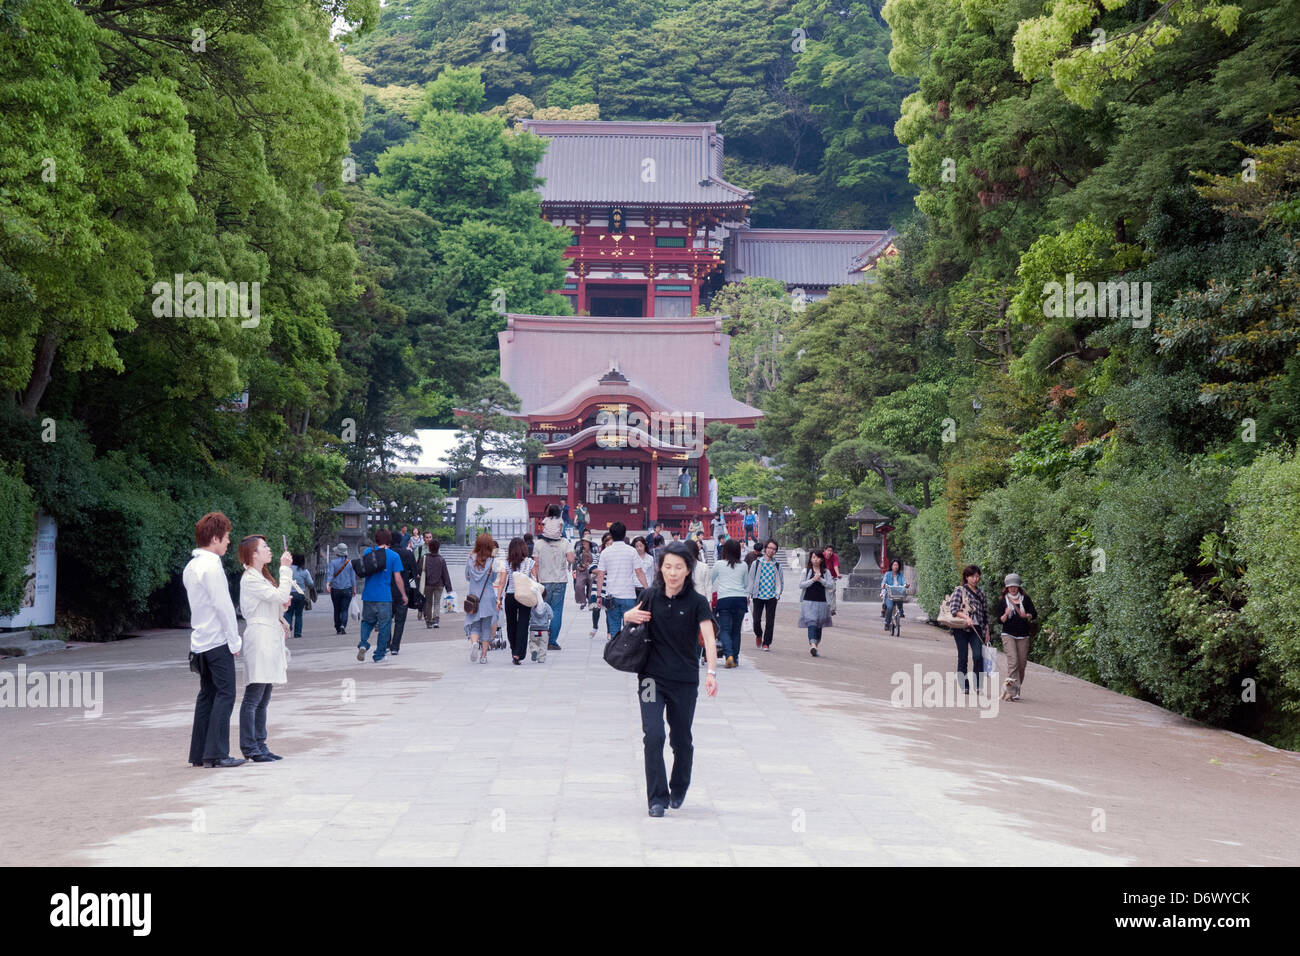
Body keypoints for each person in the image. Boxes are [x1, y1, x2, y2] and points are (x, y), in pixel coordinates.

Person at [621, 541, 718, 817]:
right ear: (660, 568)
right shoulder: (650, 596)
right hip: (651, 678)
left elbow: (709, 640)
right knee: (653, 734)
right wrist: (628, 615)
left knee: (681, 739)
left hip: (685, 681)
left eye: (678, 567)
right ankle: (657, 798)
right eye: (667, 567)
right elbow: (630, 623)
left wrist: (711, 673)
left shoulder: (697, 603)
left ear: (688, 570)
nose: (672, 573)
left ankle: (679, 785)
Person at [184, 512, 245, 768]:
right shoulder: (212, 566)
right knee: (226, 693)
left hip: (199, 640)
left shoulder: (191, 566)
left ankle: (200, 753)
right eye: (227, 537)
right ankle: (217, 753)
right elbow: (224, 607)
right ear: (216, 538)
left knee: (207, 694)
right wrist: (235, 641)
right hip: (217, 640)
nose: (229, 542)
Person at [237, 535, 292, 762]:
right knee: (254, 696)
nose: (269, 550)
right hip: (260, 638)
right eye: (265, 547)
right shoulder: (250, 578)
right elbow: (278, 595)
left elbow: (276, 602)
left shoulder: (260, 577)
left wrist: (281, 607)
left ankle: (260, 744)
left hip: (268, 636)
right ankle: (250, 747)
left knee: (264, 696)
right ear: (253, 554)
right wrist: (285, 569)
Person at [355, 528, 407, 663]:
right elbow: (397, 578)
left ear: (376, 539)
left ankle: (363, 644)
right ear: (389, 539)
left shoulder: (368, 552)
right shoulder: (394, 556)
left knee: (367, 621)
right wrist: (403, 594)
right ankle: (379, 654)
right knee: (384, 625)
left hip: (368, 595)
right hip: (384, 596)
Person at [594, 521, 646, 639]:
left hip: (611, 595)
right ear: (624, 534)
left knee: (614, 627)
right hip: (628, 594)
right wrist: (648, 588)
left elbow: (601, 574)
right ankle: (628, 652)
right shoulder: (631, 551)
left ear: (611, 535)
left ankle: (615, 653)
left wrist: (598, 595)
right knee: (630, 628)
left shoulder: (605, 552)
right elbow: (639, 572)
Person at [944, 564, 990, 695]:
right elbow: (954, 610)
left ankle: (978, 684)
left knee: (978, 656)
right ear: (966, 577)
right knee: (963, 656)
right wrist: (966, 617)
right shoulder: (960, 590)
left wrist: (987, 631)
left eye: (977, 576)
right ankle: (964, 685)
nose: (975, 579)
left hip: (977, 628)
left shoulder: (981, 593)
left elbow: (986, 614)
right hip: (961, 628)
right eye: (972, 576)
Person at [534, 507, 574, 650]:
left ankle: (541, 639)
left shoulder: (538, 544)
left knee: (542, 610)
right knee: (557, 611)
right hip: (560, 580)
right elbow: (571, 558)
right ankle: (552, 641)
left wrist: (535, 580)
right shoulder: (564, 543)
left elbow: (535, 564)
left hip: (543, 580)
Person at [993, 573, 1036, 700]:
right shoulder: (1003, 601)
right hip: (1008, 634)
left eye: (1015, 586)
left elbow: (1034, 614)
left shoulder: (1025, 599)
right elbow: (1000, 620)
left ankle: (1017, 688)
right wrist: (1005, 614)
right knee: (1013, 662)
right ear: (1006, 587)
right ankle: (1010, 691)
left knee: (1022, 664)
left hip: (1023, 635)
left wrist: (1026, 615)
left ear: (1018, 587)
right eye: (1010, 586)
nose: (1013, 588)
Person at [710, 539, 748, 669]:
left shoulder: (719, 564)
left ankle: (729, 656)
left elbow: (710, 579)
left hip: (725, 599)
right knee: (736, 630)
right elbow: (745, 584)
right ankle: (735, 659)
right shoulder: (743, 565)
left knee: (725, 630)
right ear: (738, 551)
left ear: (724, 551)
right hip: (740, 599)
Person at [464, 533, 501, 664]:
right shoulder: (492, 561)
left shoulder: (470, 558)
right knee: (486, 627)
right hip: (488, 597)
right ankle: (484, 656)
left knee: (474, 625)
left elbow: (467, 576)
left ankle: (474, 643)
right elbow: (492, 579)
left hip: (473, 597)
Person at [502, 536, 538, 665]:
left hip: (511, 595)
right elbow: (535, 581)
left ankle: (513, 649)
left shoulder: (507, 563)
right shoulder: (530, 562)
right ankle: (519, 652)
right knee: (523, 624)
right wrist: (537, 598)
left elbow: (502, 582)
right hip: (525, 595)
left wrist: (499, 598)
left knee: (511, 624)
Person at [747, 538, 784, 651]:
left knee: (770, 621)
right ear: (765, 549)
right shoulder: (756, 563)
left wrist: (778, 594)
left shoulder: (777, 565)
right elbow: (751, 579)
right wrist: (749, 593)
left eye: (774, 549)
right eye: (769, 548)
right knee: (756, 620)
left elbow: (780, 581)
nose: (771, 551)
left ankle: (766, 643)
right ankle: (758, 634)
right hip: (758, 595)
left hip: (771, 596)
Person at [798, 550, 833, 657]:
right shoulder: (806, 571)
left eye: (817, 557)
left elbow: (830, 585)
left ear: (821, 559)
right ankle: (812, 645)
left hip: (822, 602)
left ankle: (815, 645)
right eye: (813, 557)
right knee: (811, 623)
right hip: (808, 601)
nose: (815, 559)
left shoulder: (826, 572)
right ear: (810, 559)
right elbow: (801, 585)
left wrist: (821, 580)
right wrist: (813, 580)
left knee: (819, 625)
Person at [388, 531, 417, 656]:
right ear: (401, 541)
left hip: (387, 589)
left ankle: (386, 643)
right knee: (400, 620)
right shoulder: (408, 553)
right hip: (403, 589)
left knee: (387, 619)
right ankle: (395, 646)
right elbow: (415, 572)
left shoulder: (387, 553)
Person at [420, 534, 454, 629]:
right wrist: (449, 588)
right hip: (439, 584)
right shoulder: (441, 559)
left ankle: (428, 621)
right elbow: (445, 574)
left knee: (428, 602)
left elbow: (420, 570)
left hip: (427, 584)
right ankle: (436, 620)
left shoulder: (424, 558)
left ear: (429, 548)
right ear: (438, 548)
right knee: (437, 603)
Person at [325, 543, 355, 635]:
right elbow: (352, 577)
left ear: (337, 552)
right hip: (347, 589)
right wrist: (354, 588)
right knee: (345, 609)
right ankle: (343, 625)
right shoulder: (350, 563)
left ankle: (338, 628)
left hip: (336, 589)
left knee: (337, 609)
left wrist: (327, 584)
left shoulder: (333, 562)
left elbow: (330, 575)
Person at [284, 553, 314, 639]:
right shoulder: (304, 571)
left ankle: (287, 627)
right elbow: (311, 583)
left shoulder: (288, 570)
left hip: (289, 594)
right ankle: (297, 633)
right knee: (299, 614)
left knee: (289, 612)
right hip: (301, 594)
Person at [588, 532, 612, 638]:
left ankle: (609, 631)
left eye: (611, 544)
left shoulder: (616, 556)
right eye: (607, 544)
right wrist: (604, 571)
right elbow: (592, 569)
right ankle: (594, 626)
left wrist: (603, 571)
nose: (609, 546)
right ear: (604, 544)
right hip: (598, 583)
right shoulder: (598, 555)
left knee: (609, 609)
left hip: (611, 583)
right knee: (596, 608)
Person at [881, 558, 907, 631]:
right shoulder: (887, 574)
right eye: (894, 565)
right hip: (889, 595)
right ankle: (887, 623)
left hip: (898, 594)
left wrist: (906, 584)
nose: (896, 566)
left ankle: (901, 611)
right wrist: (883, 585)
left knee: (900, 600)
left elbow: (904, 581)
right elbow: (884, 581)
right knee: (890, 607)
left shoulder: (901, 575)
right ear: (891, 566)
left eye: (897, 565)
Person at [573, 538, 594, 609]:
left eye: (585, 542)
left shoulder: (594, 550)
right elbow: (576, 560)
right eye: (583, 542)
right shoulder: (579, 550)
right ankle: (583, 601)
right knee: (578, 585)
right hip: (581, 570)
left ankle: (591, 601)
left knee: (592, 586)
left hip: (592, 570)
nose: (583, 544)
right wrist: (579, 567)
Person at [823, 545, 841, 616]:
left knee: (832, 590)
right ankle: (825, 607)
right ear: (825, 550)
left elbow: (835, 565)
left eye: (831, 551)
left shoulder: (835, 556)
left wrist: (838, 574)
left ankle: (832, 609)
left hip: (832, 576)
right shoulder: (821, 556)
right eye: (828, 550)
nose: (830, 552)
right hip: (823, 575)